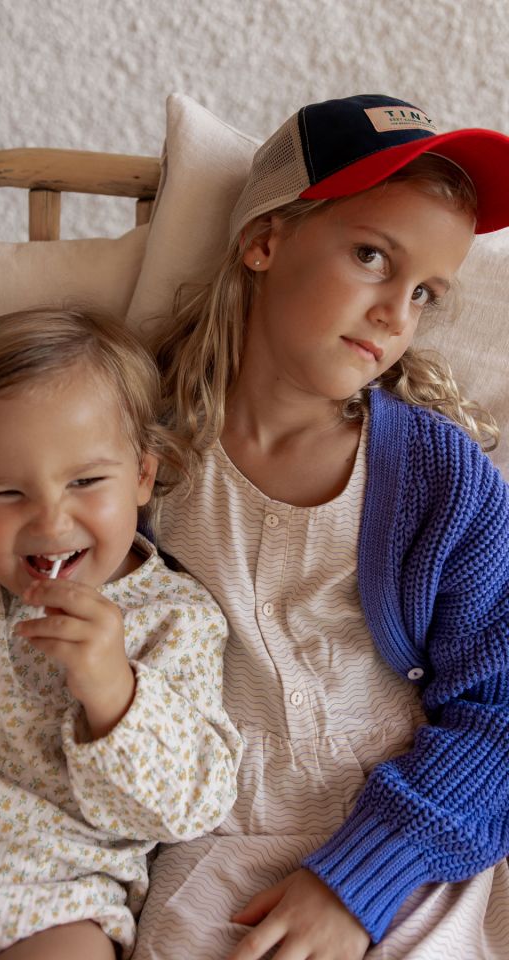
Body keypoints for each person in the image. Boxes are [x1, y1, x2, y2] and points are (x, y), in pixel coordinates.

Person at [131, 94, 509, 959]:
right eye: (372, 256)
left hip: (412, 839)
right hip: (209, 839)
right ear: (265, 240)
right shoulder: (141, 442)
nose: (396, 314)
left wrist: (361, 880)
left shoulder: (440, 480)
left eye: (425, 293)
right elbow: (5, 551)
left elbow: (499, 711)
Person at [0, 308, 242, 960]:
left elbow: (194, 802)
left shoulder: (176, 618)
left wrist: (116, 693)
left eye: (85, 482)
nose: (49, 520)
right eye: (6, 493)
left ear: (143, 475)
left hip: (54, 899)